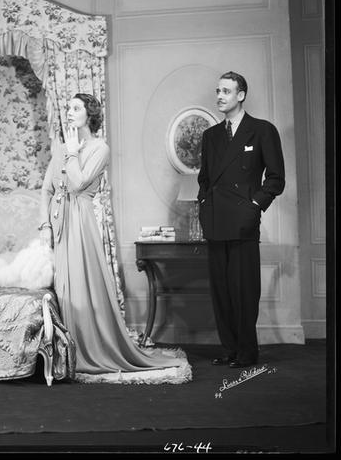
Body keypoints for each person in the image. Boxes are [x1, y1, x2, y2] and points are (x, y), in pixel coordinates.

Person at [39, 93, 191, 384]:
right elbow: (47, 189)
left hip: (80, 222)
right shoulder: (61, 146)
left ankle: (83, 350)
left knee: (79, 284)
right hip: (58, 223)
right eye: (68, 107)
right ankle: (61, 350)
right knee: (61, 287)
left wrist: (73, 153)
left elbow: (79, 182)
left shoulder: (100, 149)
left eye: (76, 108)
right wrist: (45, 225)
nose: (69, 112)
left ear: (90, 114)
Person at [197, 71, 284, 369]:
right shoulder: (210, 136)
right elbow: (204, 179)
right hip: (215, 220)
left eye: (226, 91)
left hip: (243, 221)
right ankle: (230, 349)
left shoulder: (262, 130)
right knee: (221, 292)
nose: (220, 96)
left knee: (244, 290)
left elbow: (276, 178)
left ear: (241, 95)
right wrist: (204, 204)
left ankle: (247, 351)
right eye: (218, 91)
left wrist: (255, 205)